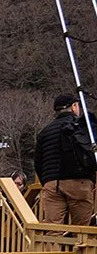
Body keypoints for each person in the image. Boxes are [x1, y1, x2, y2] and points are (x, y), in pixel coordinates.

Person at [35, 92, 97, 225]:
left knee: (53, 229)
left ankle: (52, 247)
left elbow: (38, 162)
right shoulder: (81, 127)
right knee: (82, 230)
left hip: (51, 183)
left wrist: (46, 181)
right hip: (79, 181)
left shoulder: (45, 132)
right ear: (74, 106)